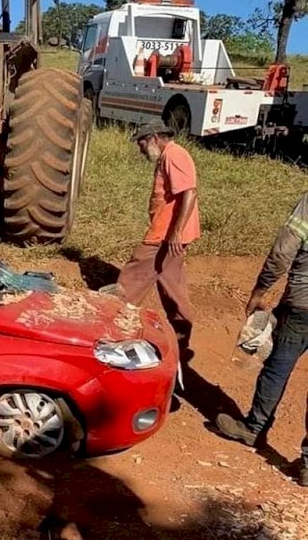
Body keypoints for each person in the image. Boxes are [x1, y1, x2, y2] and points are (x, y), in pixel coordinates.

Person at [215, 193, 308, 487]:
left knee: (277, 367)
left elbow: (284, 251)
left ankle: (254, 427)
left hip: (302, 305)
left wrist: (260, 290)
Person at [113, 120, 200, 367]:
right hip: (168, 234)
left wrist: (175, 232)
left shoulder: (174, 154)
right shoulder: (168, 156)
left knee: (131, 278)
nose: (140, 149)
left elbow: (190, 193)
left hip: (165, 236)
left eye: (141, 142)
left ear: (153, 137)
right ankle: (181, 342)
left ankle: (112, 328)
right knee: (172, 287)